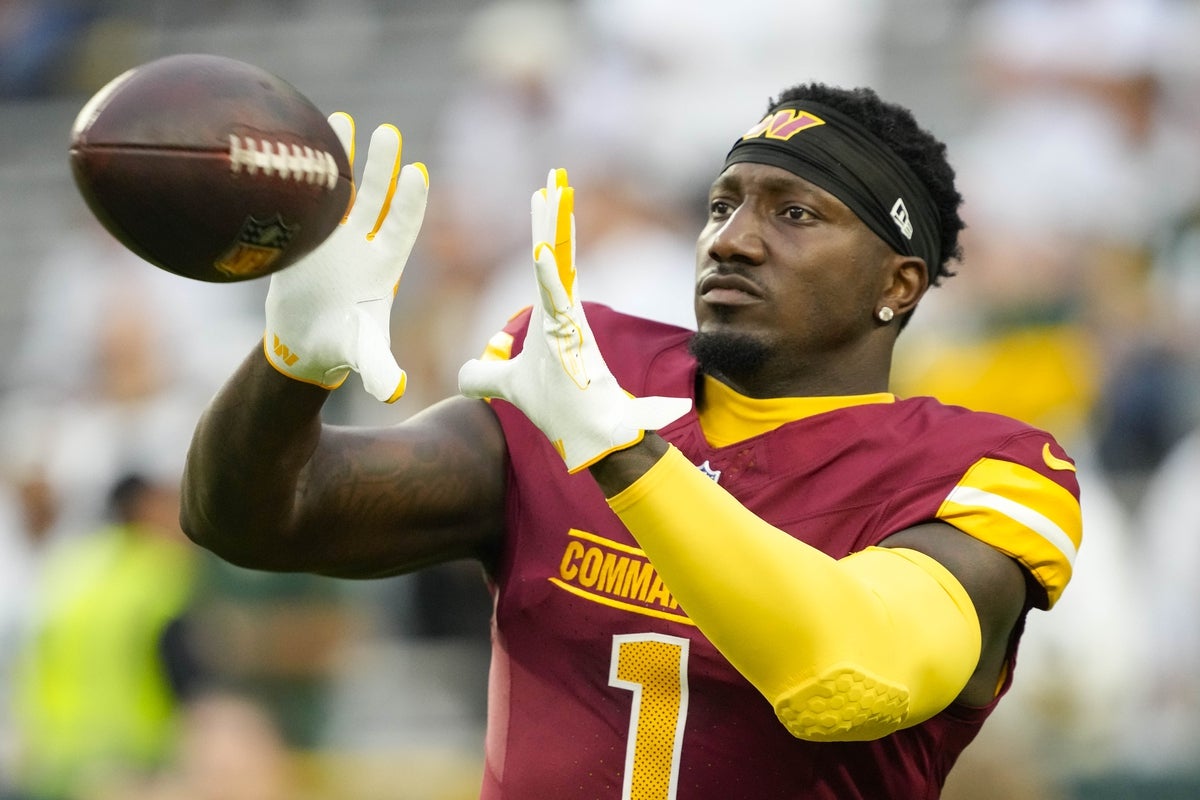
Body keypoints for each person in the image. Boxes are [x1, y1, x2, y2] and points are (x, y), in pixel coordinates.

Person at [180, 84, 1083, 799]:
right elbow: (263, 518)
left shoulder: (979, 469)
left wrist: (621, 452)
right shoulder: (595, 371)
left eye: (793, 213)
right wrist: (289, 366)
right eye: (723, 205)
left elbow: (844, 673)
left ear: (899, 281)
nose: (734, 241)